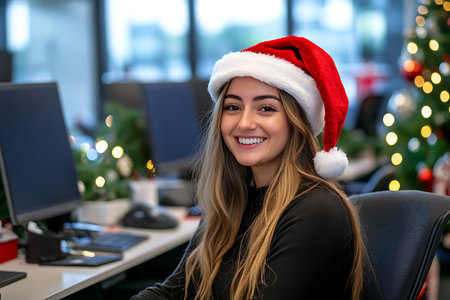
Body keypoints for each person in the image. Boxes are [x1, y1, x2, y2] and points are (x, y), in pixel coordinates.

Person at [131, 36, 366, 300]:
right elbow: (177, 291)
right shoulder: (231, 201)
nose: (244, 123)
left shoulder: (316, 208)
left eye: (265, 108)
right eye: (233, 107)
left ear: (295, 121)